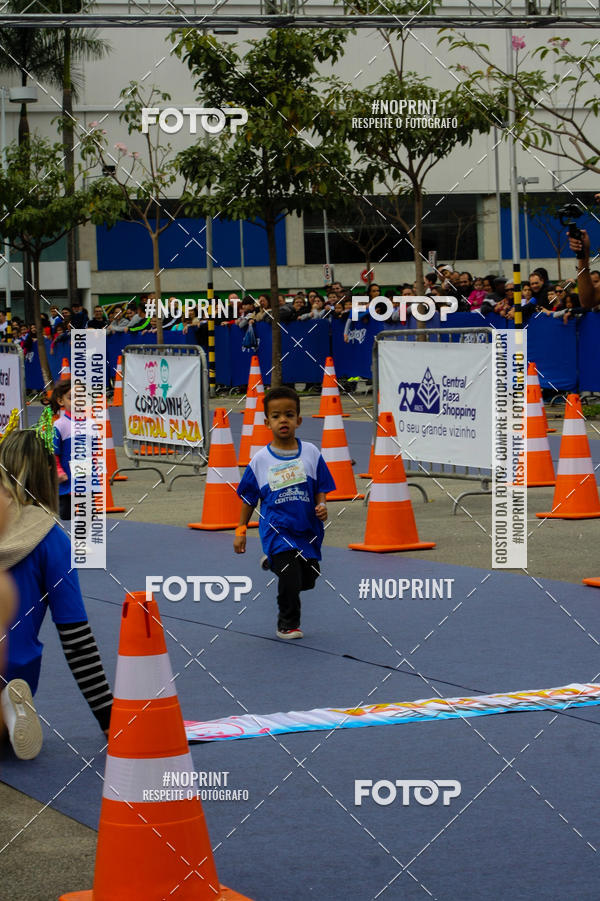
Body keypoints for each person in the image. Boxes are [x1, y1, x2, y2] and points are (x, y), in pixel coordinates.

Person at [0, 425, 112, 758]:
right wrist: (108, 717)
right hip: (12, 667)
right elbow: (76, 636)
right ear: (50, 473)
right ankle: (8, 712)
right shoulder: (52, 540)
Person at [234, 386, 335, 640]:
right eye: (277, 416)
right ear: (267, 422)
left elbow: (321, 486)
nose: (283, 420)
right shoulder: (260, 460)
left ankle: (271, 563)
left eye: (289, 415)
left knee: (309, 578)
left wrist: (322, 505)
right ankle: (287, 624)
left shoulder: (311, 453)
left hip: (307, 530)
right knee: (289, 575)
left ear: (298, 420)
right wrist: (241, 529)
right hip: (277, 530)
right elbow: (249, 497)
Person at [51, 380, 72, 520]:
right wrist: (58, 470)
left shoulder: (91, 424)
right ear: (61, 401)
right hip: (66, 481)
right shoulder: (60, 425)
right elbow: (54, 452)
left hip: (85, 479)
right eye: (71, 398)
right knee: (66, 517)